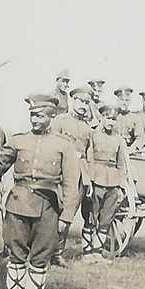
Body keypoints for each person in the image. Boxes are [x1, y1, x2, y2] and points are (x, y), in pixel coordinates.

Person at [0, 94, 81, 289]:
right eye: (32, 115)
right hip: (18, 205)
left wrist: (67, 216)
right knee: (17, 254)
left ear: (51, 116)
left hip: (47, 208)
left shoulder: (64, 145)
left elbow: (72, 184)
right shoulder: (18, 140)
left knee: (41, 256)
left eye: (39, 116)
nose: (34, 120)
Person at [50, 87, 95, 265]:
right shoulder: (60, 121)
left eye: (87, 102)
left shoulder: (88, 128)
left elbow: (89, 153)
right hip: (60, 172)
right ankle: (44, 250)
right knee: (52, 211)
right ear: (73, 101)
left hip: (79, 175)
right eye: (81, 101)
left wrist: (89, 178)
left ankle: (57, 253)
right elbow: (51, 143)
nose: (83, 106)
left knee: (68, 212)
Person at [84, 104, 129, 262]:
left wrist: (121, 185)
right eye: (108, 118)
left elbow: (121, 164)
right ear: (101, 118)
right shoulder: (93, 135)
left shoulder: (118, 140)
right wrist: (89, 180)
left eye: (113, 119)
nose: (110, 122)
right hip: (96, 178)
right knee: (91, 217)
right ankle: (87, 252)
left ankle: (98, 252)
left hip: (113, 181)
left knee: (106, 219)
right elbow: (89, 157)